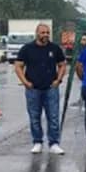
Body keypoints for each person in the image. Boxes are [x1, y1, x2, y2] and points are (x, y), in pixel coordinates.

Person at [15, 23, 67, 155]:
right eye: (43, 32)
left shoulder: (55, 49)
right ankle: (37, 141)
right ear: (37, 33)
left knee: (53, 116)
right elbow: (18, 66)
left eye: (47, 33)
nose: (45, 35)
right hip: (33, 89)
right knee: (34, 116)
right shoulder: (27, 49)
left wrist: (58, 80)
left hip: (50, 88)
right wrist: (25, 82)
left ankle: (54, 143)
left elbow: (62, 65)